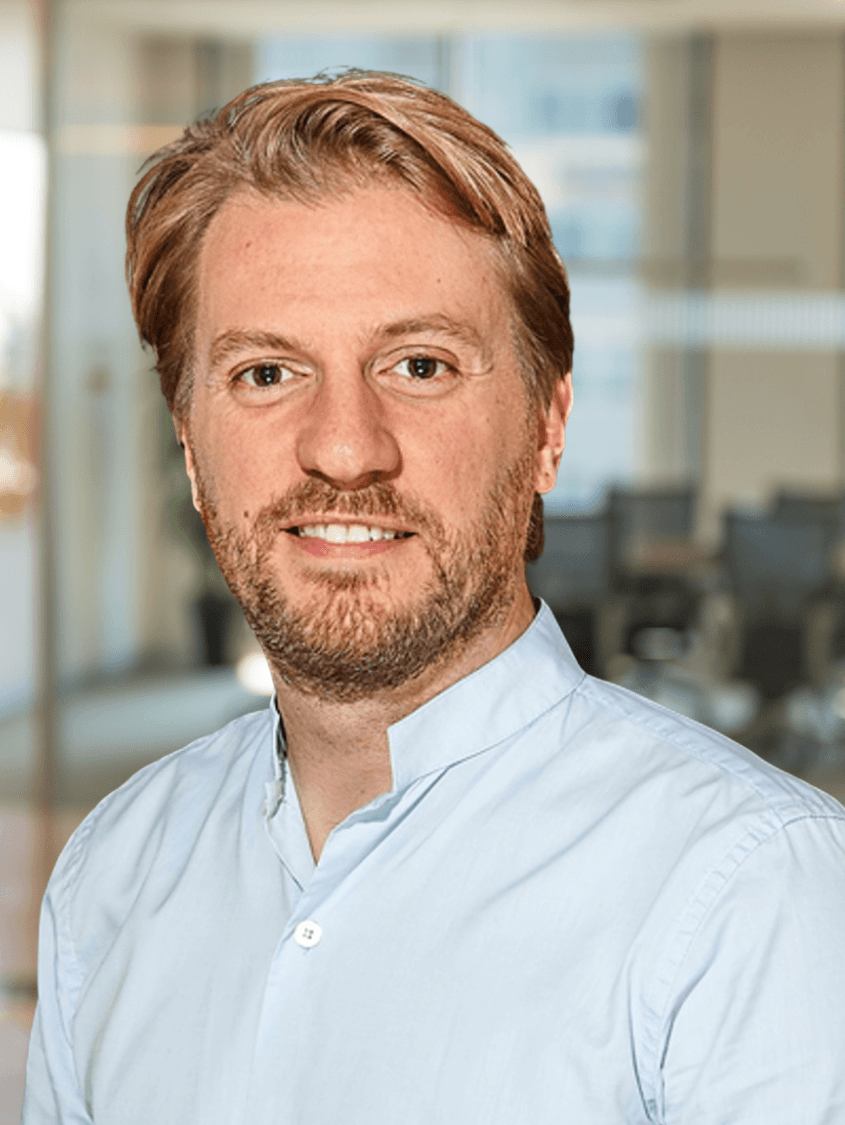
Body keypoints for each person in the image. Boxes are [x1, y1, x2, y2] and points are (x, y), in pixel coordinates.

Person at [23, 71, 845, 1124]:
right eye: (266, 375)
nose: (343, 448)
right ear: (190, 446)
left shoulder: (752, 894)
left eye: (418, 364)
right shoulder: (112, 873)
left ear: (545, 428)